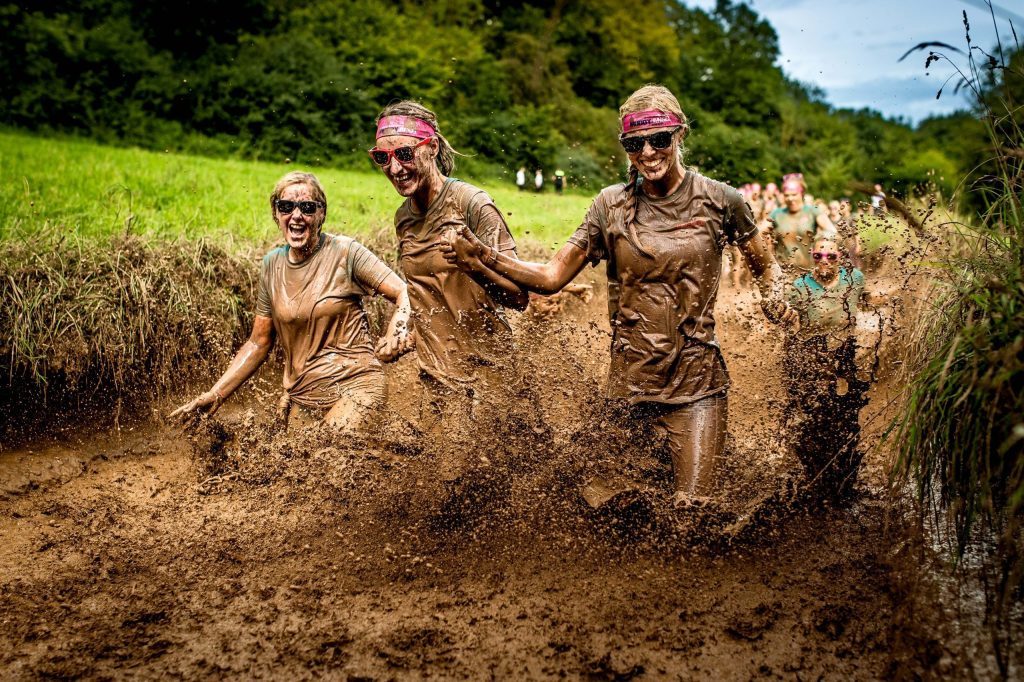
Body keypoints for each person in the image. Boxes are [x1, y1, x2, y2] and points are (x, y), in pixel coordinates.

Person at [440, 84, 794, 507]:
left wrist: (774, 296)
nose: (648, 152)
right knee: (605, 508)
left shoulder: (721, 200)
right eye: (634, 144)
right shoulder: (610, 206)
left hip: (695, 384)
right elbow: (551, 276)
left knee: (693, 512)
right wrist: (482, 256)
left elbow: (766, 264)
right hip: (627, 387)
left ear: (679, 134)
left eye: (659, 139)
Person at [171, 171, 413, 432]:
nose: (296, 215)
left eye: (307, 208)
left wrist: (396, 331)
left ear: (321, 214)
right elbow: (258, 342)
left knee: (326, 449)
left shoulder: (345, 252)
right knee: (294, 456)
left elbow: (405, 291)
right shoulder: (271, 265)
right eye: (286, 206)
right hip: (304, 397)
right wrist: (217, 393)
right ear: (276, 214)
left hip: (357, 387)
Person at [368, 101, 528, 438]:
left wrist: (474, 265)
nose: (395, 168)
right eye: (383, 157)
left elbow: (518, 297)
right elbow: (425, 295)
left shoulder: (472, 204)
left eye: (405, 154)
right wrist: (401, 334)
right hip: (437, 382)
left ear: (432, 148)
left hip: (489, 376)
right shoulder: (403, 218)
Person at [783, 237, 870, 496]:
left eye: (831, 256)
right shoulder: (800, 286)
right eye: (818, 256)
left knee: (847, 415)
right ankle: (811, 473)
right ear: (812, 256)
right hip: (812, 356)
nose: (824, 261)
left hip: (844, 356)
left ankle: (844, 475)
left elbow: (867, 301)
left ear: (840, 258)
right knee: (813, 417)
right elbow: (787, 321)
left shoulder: (854, 279)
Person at [769, 174, 837, 273]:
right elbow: (759, 233)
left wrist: (820, 241)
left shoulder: (812, 211)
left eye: (794, 194)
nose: (790, 198)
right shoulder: (776, 214)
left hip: (807, 270)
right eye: (787, 195)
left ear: (802, 193)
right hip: (784, 270)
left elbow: (832, 232)